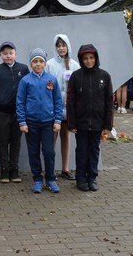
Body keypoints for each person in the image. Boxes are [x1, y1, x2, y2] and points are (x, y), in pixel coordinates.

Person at [67, 44, 113, 192]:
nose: (88, 61)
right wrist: (71, 122)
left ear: (96, 58)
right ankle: (80, 179)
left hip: (98, 123)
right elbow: (70, 101)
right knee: (81, 151)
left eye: (91, 58)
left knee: (94, 151)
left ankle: (92, 178)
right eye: (85, 58)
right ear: (81, 60)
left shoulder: (104, 76)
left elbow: (109, 102)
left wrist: (108, 125)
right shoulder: (76, 76)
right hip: (81, 123)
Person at [17, 48, 64, 194]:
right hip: (31, 123)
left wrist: (58, 120)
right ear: (31, 64)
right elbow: (20, 102)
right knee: (33, 152)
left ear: (45, 63)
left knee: (49, 152)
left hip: (48, 123)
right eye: (35, 61)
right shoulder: (25, 81)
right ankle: (37, 179)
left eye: (41, 61)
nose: (38, 64)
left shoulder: (51, 80)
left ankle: (50, 179)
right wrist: (22, 122)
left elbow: (57, 101)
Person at [0, 41, 29, 183]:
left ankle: (14, 170)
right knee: (3, 141)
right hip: (2, 112)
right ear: (0, 55)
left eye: (10, 53)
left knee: (16, 141)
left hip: (18, 112)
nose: (8, 56)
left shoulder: (23, 69)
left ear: (15, 54)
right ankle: (4, 171)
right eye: (5, 54)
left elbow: (28, 87)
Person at [45, 34, 80, 181]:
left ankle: (65, 169)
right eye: (58, 45)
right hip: (54, 109)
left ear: (68, 46)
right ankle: (50, 170)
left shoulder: (74, 65)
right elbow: (46, 86)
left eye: (63, 45)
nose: (61, 48)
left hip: (69, 109)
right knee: (51, 139)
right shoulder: (50, 64)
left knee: (66, 137)